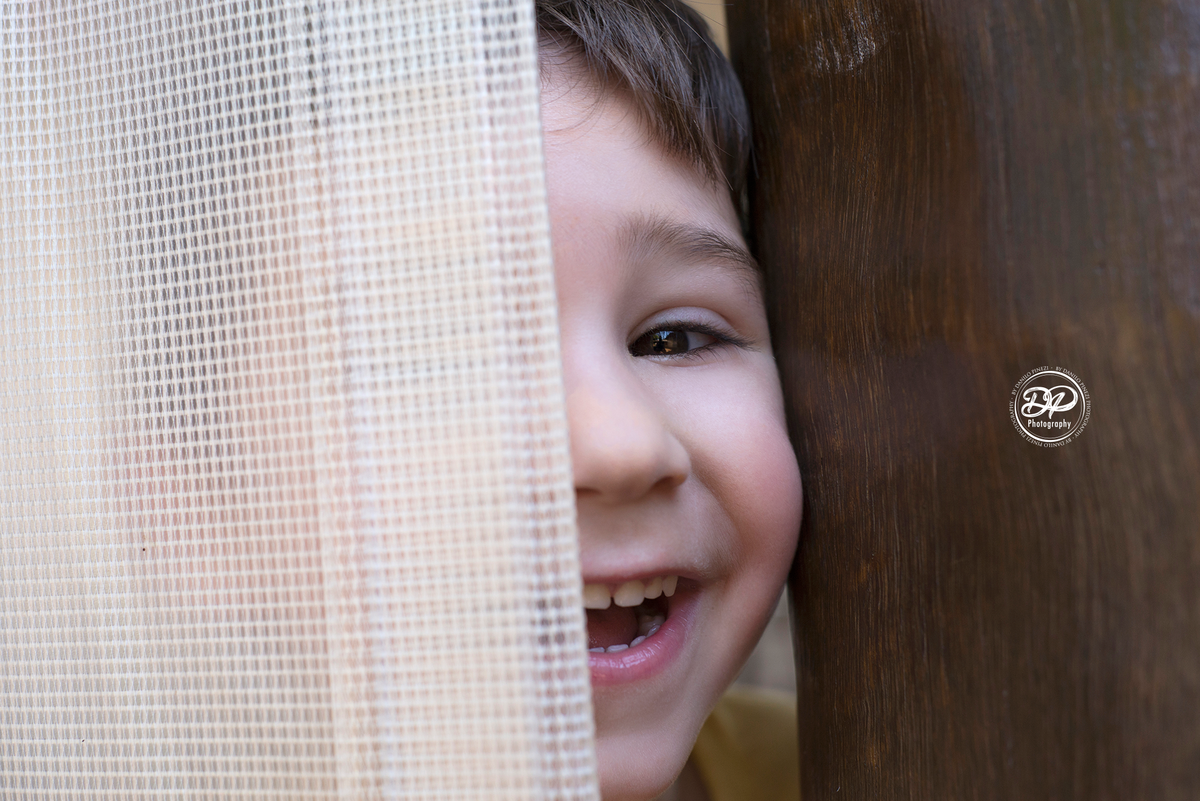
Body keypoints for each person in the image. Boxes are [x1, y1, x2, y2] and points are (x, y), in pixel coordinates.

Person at [536, 1, 804, 798]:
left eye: (675, 338)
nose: (624, 448)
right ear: (176, 477)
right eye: (446, 354)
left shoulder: (854, 772)